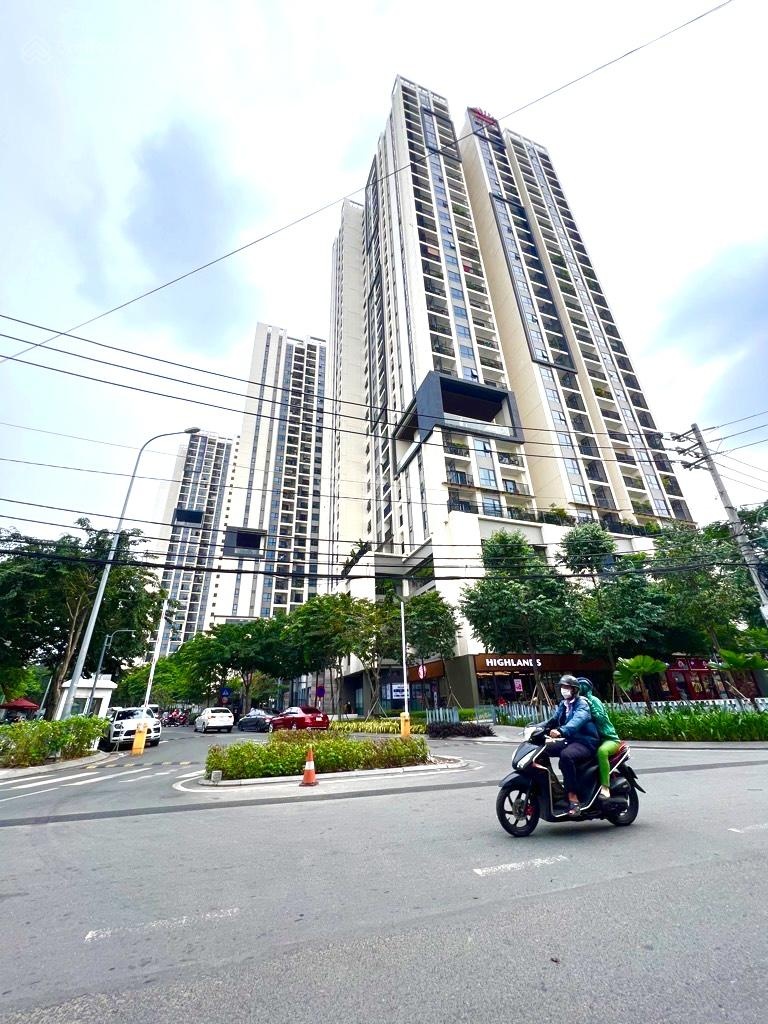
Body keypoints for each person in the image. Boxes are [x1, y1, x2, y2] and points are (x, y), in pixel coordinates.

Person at [538, 674, 600, 816]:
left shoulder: (582, 704)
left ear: (574, 689)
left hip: (586, 742)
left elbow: (578, 720)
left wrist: (561, 731)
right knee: (541, 751)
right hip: (570, 740)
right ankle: (553, 789)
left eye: (567, 687)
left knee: (566, 756)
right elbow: (553, 720)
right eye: (562, 687)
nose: (564, 689)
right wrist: (537, 728)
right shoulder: (563, 704)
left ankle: (573, 798)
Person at [577, 677, 621, 801]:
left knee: (602, 752)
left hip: (608, 739)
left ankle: (605, 787)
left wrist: (590, 705)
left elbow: (601, 719)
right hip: (591, 740)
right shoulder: (577, 703)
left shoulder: (593, 701)